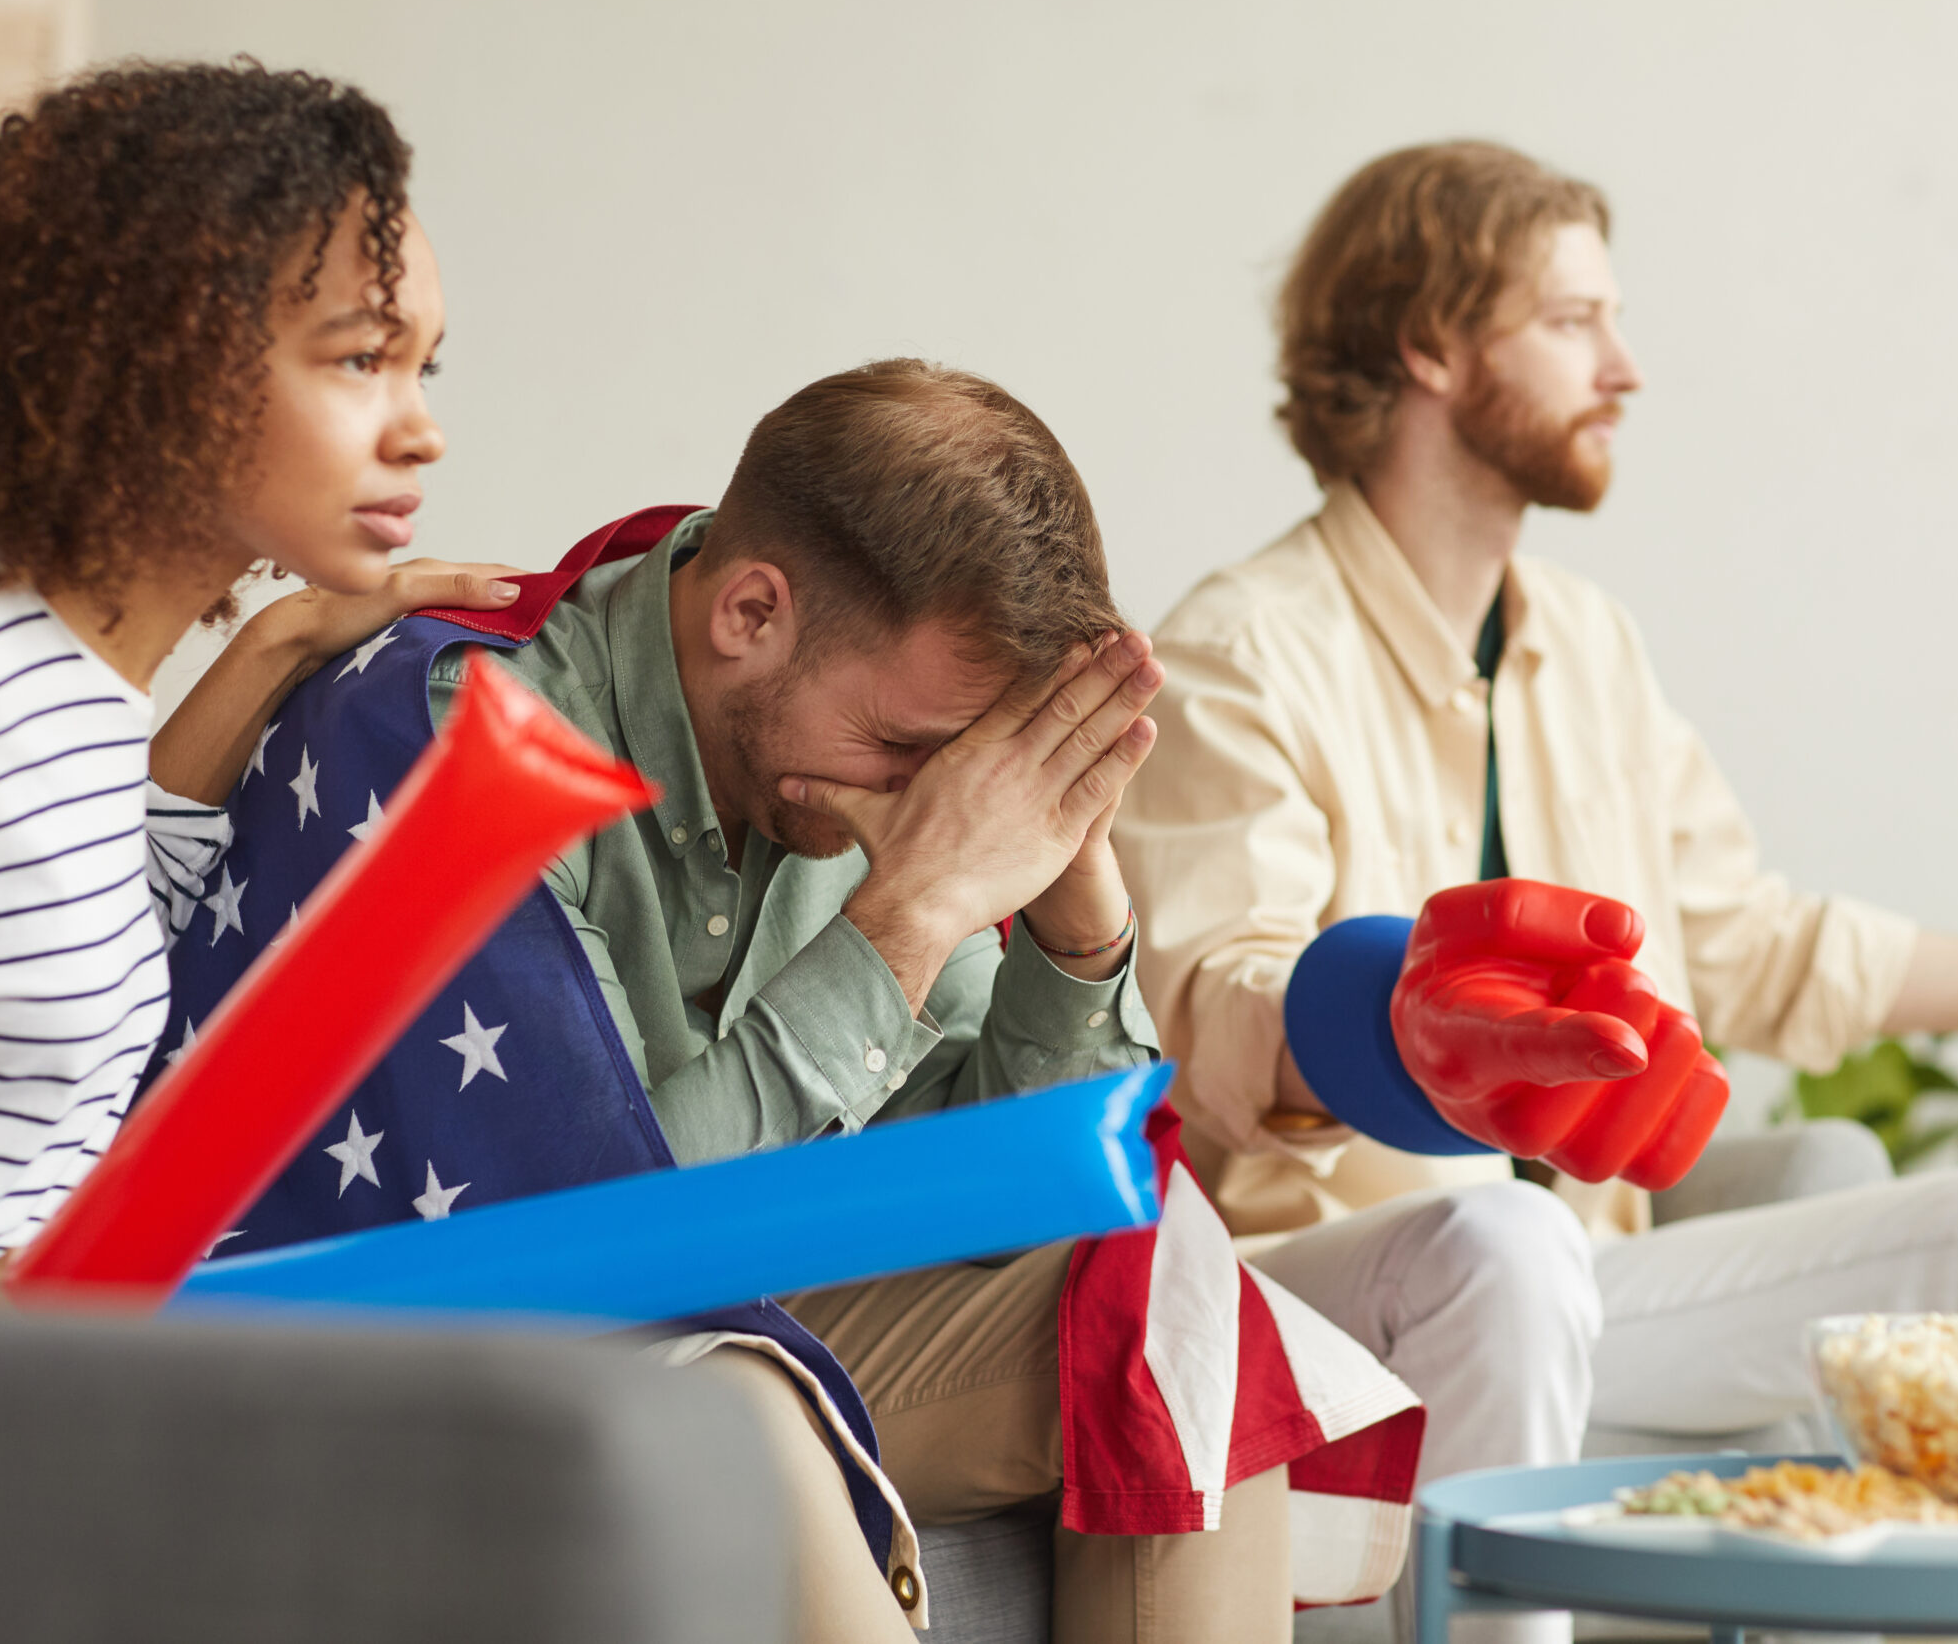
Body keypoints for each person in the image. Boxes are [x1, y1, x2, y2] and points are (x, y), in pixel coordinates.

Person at [1113, 140, 1958, 1631]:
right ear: (1430, 344)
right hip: (1327, 1283)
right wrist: (1403, 1032)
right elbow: (1214, 1011)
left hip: (1576, 1295)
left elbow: (1760, 945)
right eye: (1572, 321)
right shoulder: (1240, 650)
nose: (1625, 367)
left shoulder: (1588, 648)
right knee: (1507, 1236)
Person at [166, 359, 1320, 1644]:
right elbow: (607, 1243)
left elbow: (1021, 1192)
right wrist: (912, 916)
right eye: (905, 751)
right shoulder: (470, 742)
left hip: (745, 1310)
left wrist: (1075, 911)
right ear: (752, 615)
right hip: (435, 1343)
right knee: (743, 1402)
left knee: (1177, 1279)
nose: (932, 804)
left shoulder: (848, 767)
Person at [0, 60, 514, 1292]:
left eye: (424, 366)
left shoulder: (73, 677)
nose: (420, 428)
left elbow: (40, 919)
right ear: (168, 359)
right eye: (361, 359)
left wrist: (281, 638)